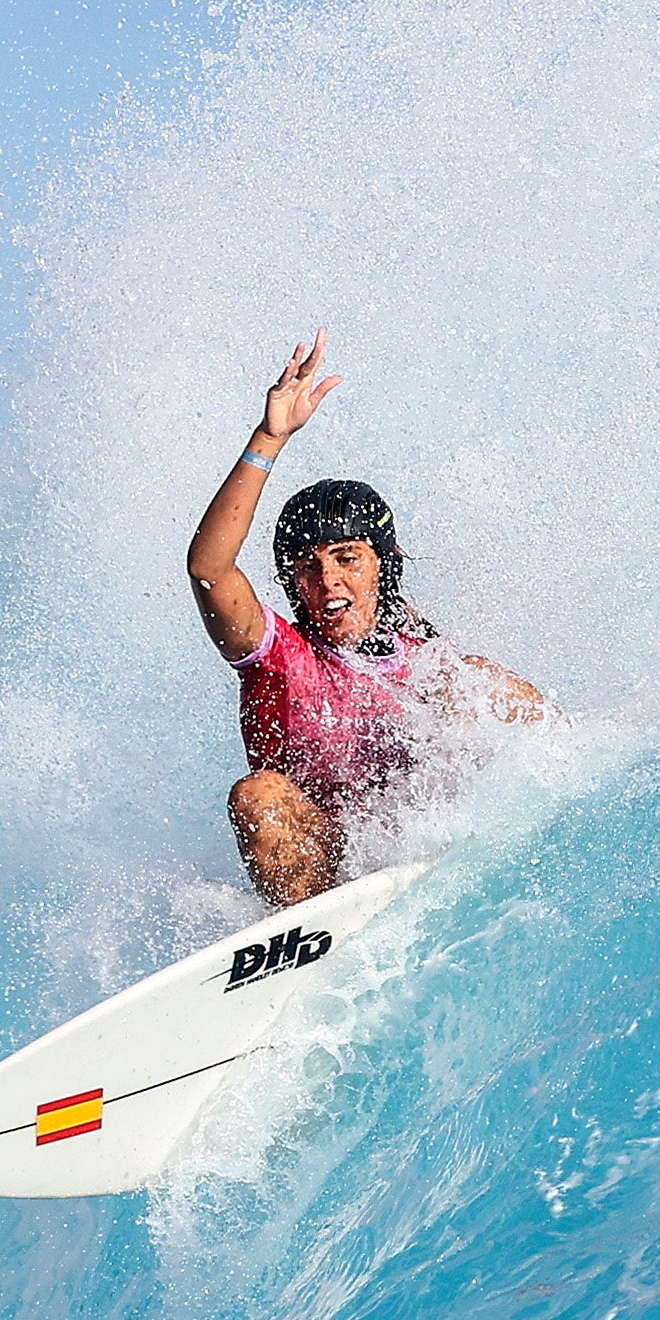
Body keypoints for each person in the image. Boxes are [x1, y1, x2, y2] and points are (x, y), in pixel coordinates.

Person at [184, 331, 546, 904]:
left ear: (383, 565)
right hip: (323, 872)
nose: (328, 581)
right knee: (259, 795)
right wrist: (268, 439)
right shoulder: (279, 656)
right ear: (292, 583)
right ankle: (303, 940)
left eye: (347, 558)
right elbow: (209, 567)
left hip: (423, 849)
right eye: (309, 566)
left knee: (478, 683)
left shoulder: (426, 664)